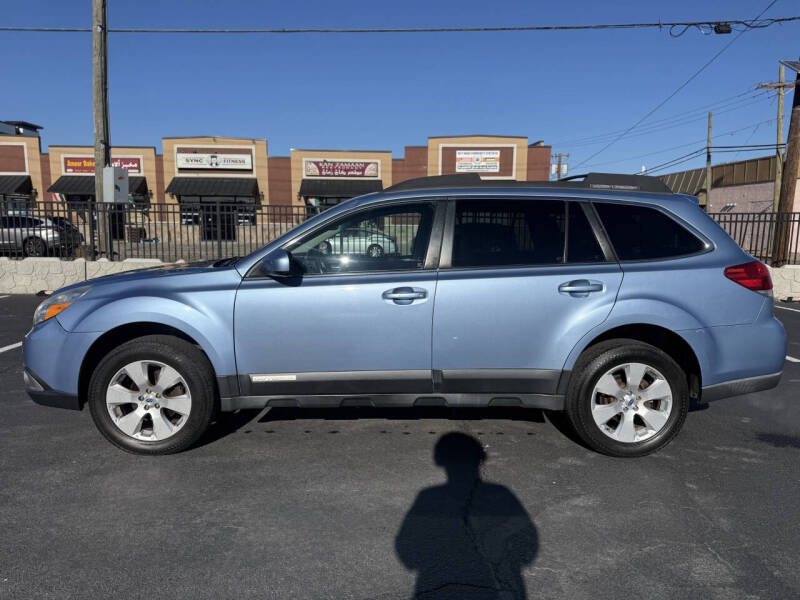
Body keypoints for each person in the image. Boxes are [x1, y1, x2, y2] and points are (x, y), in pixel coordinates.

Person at [395, 432, 538, 599]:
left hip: (448, 580)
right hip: (491, 582)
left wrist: (496, 536)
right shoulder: (499, 493)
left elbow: (406, 542)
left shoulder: (429, 496)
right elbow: (527, 536)